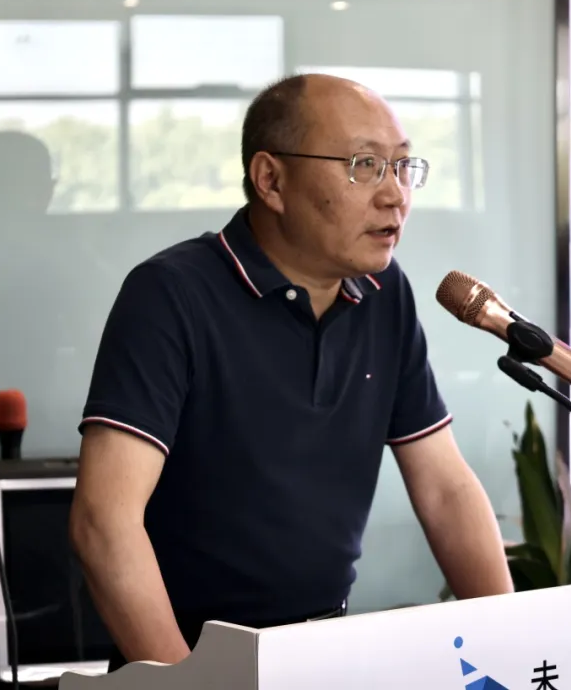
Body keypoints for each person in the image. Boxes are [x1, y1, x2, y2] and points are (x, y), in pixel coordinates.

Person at [69, 73, 513, 672]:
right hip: (189, 656)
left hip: (323, 651)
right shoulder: (172, 295)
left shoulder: (384, 293)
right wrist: (191, 686)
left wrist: (511, 647)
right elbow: (104, 523)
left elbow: (445, 489)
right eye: (364, 165)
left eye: (402, 167)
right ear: (271, 180)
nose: (395, 195)